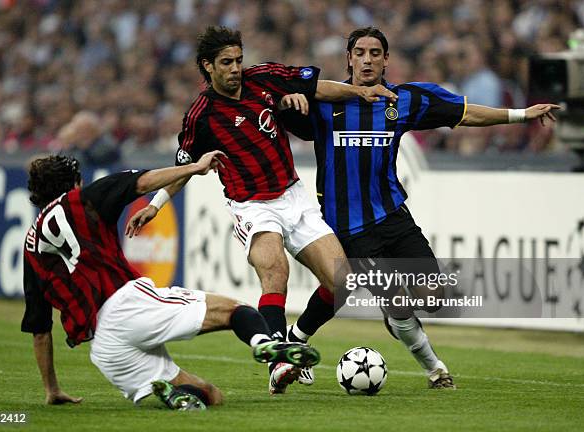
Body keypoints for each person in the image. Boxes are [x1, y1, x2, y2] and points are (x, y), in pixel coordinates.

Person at [278, 26, 560, 389]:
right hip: (348, 227)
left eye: (375, 53)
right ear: (348, 59)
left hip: (393, 216)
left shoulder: (404, 100)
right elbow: (275, 109)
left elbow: (465, 114)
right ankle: (435, 370)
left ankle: (303, 335)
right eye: (360, 52)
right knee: (387, 297)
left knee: (433, 297)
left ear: (386, 60)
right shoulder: (324, 102)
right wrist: (289, 102)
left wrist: (522, 114)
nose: (367, 59)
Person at [126, 26, 398, 395]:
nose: (236, 68)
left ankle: (295, 339)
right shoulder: (201, 117)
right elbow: (185, 168)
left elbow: (317, 88)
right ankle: (278, 361)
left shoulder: (266, 78)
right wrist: (156, 205)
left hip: (294, 196)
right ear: (207, 66)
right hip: (252, 205)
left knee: (342, 283)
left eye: (238, 60)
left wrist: (361, 91)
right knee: (275, 270)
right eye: (226, 63)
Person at [21, 153, 320, 411]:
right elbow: (143, 182)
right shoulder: (83, 199)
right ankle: (264, 343)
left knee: (208, 396)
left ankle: (171, 394)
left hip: (104, 347)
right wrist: (194, 167)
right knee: (236, 311)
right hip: (127, 304)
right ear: (74, 183)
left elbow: (40, 329)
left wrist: (52, 389)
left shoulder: (32, 244)